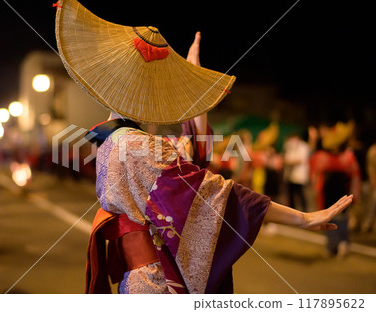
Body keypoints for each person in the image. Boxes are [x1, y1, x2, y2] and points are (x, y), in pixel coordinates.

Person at [55, 0, 354, 293]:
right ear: (150, 94)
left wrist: (194, 79)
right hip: (155, 282)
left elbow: (192, 154)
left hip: (138, 281)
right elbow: (210, 191)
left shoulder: (112, 140)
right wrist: (302, 217)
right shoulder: (137, 146)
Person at [310, 121, 361, 257]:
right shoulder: (322, 156)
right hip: (327, 192)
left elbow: (355, 177)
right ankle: (331, 245)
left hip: (342, 191)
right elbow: (316, 174)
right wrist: (316, 188)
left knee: (342, 218)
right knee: (329, 217)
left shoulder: (348, 157)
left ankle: (343, 243)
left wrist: (355, 193)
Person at [283, 133, 310, 212]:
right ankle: (292, 213)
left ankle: (305, 212)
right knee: (291, 196)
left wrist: (286, 161)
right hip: (290, 176)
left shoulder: (303, 147)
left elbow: (299, 160)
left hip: (299, 177)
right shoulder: (290, 147)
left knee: (300, 195)